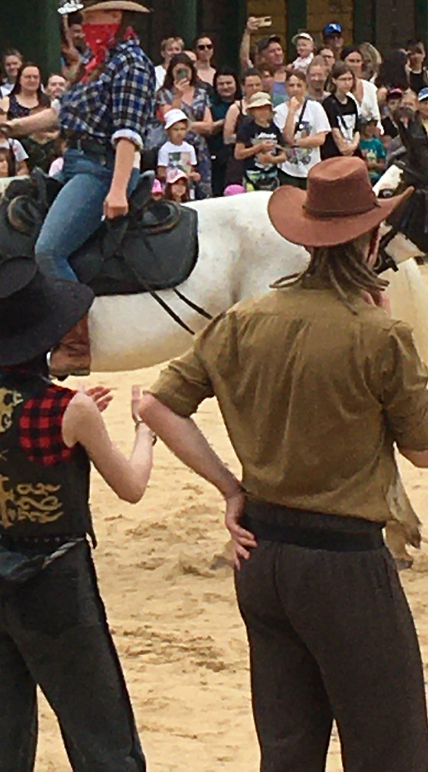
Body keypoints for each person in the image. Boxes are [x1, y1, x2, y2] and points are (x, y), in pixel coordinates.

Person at [139, 157, 428, 772]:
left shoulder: (244, 319)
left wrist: (228, 487)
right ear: (372, 238)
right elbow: (422, 451)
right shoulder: (379, 334)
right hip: (345, 562)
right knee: (391, 747)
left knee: (289, 750)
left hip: (262, 553)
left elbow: (159, 406)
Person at [0, 257, 151, 772]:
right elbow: (131, 486)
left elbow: (11, 411)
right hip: (53, 582)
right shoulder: (71, 410)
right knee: (102, 737)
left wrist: (60, 389)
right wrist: (143, 431)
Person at [0, 0, 155, 374]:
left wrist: (117, 190)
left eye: (93, 17)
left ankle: (75, 345)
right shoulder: (96, 63)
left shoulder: (131, 65)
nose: (85, 26)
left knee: (49, 249)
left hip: (101, 170)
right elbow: (62, 112)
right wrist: (16, 127)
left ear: (116, 15)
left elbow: (127, 132)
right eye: (84, 17)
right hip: (75, 163)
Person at [154, 53, 213, 198]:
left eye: (186, 70)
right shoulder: (164, 94)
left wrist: (187, 125)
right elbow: (170, 119)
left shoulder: (201, 93)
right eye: (178, 71)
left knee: (202, 186)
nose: (183, 74)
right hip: (174, 145)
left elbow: (209, 125)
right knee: (177, 187)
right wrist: (178, 96)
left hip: (198, 146)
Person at [273, 70, 330, 187]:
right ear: (286, 87)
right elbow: (286, 138)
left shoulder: (315, 108)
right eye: (291, 85)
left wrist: (296, 142)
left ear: (305, 87)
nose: (295, 89)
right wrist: (292, 111)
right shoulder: (279, 111)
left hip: (311, 168)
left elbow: (320, 139)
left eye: (299, 85)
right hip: (288, 170)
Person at [234, 92, 286, 191]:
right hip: (252, 176)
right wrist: (259, 148)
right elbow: (238, 154)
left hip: (272, 177)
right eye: (258, 109)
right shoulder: (246, 128)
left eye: (265, 108)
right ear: (252, 111)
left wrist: (272, 160)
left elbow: (283, 154)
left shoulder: (275, 129)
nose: (262, 112)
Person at [208, 69, 238, 197]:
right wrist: (227, 120)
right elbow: (209, 129)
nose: (225, 87)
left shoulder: (243, 103)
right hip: (217, 156)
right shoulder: (210, 105)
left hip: (238, 156)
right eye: (221, 84)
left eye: (229, 83)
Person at [322, 60, 361, 160]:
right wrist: (344, 148)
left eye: (350, 79)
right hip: (333, 154)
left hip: (352, 149)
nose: (347, 83)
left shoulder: (352, 102)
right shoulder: (329, 103)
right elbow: (334, 129)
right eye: (343, 79)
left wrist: (353, 145)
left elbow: (357, 128)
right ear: (334, 80)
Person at [157, 108, 200, 191]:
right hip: (169, 189)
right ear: (168, 131)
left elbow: (191, 168)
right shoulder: (165, 150)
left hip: (186, 188)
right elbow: (161, 172)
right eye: (175, 130)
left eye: (182, 129)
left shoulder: (190, 148)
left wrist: (193, 175)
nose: (179, 133)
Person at [341, 45, 381, 128]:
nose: (355, 65)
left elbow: (376, 115)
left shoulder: (370, 87)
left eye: (358, 61)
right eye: (351, 61)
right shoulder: (338, 88)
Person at [360, 117, 386, 184]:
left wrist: (374, 165)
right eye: (369, 125)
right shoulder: (357, 143)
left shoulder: (377, 143)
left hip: (375, 178)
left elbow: (383, 165)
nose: (372, 128)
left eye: (374, 125)